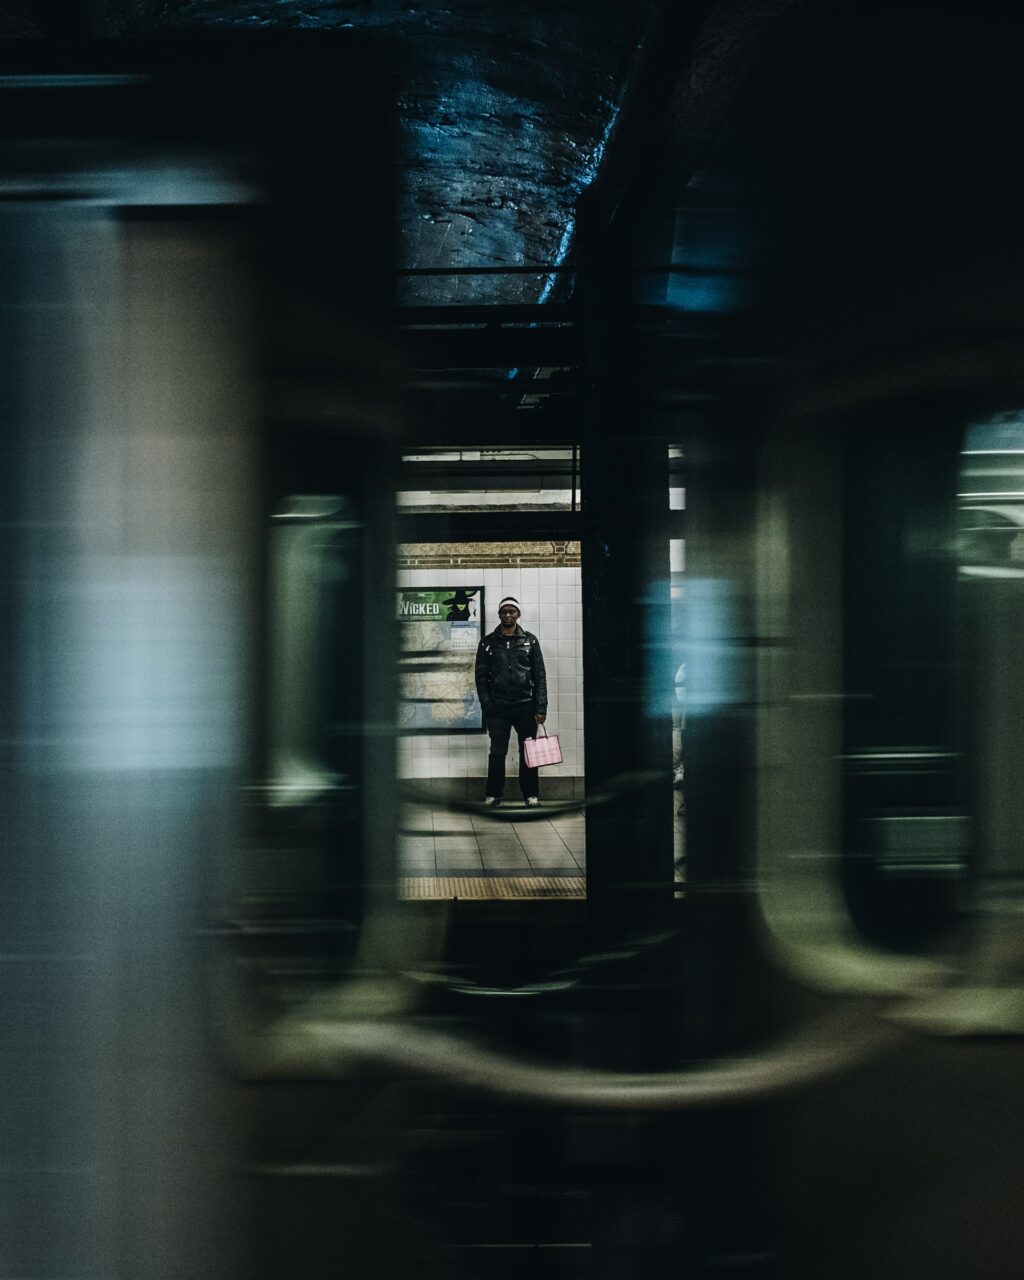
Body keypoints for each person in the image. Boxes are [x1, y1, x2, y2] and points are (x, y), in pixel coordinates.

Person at [474, 596, 547, 807]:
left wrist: (540, 706)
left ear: (518, 614)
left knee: (528, 752)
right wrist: (488, 705)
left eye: (511, 611)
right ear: (499, 615)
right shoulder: (488, 643)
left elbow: (540, 676)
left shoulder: (530, 641)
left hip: (526, 705)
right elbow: (480, 678)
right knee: (497, 752)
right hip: (498, 707)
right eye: (504, 611)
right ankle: (493, 794)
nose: (508, 615)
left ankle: (531, 795)